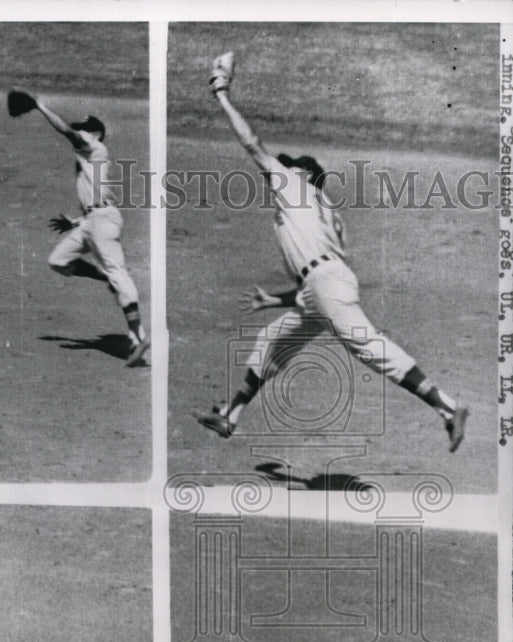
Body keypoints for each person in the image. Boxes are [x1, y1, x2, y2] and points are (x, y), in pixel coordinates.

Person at [194, 52, 468, 452]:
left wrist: (222, 95)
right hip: (321, 288)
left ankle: (447, 407)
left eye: (289, 167)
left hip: (324, 284)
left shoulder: (293, 186)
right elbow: (317, 282)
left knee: (369, 347)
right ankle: (231, 414)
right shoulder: (324, 210)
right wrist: (276, 299)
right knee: (273, 341)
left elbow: (251, 143)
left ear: (304, 175)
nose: (278, 171)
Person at [33, 96, 149, 367]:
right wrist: (75, 222)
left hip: (103, 219)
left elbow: (66, 131)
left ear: (96, 133)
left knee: (118, 272)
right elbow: (92, 200)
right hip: (90, 221)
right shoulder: (88, 157)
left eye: (83, 129)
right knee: (59, 261)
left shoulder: (94, 147)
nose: (78, 132)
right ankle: (106, 279)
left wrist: (40, 106)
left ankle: (138, 335)